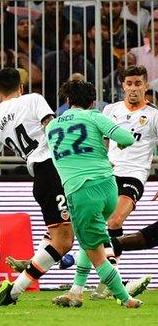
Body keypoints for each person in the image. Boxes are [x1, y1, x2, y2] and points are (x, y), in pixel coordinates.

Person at [45, 80, 141, 308]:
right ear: (92, 102)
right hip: (108, 188)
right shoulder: (94, 116)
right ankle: (75, 292)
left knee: (96, 251)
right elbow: (127, 139)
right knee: (89, 243)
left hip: (80, 191)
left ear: (68, 101)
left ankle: (125, 299)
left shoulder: (51, 127)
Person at [0, 68, 73, 306]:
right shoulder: (33, 99)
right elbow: (51, 126)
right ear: (21, 87)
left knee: (65, 231)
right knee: (64, 241)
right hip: (53, 168)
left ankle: (74, 282)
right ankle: (14, 291)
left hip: (39, 175)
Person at [85, 65, 155, 299]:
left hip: (134, 175)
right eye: (129, 84)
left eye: (138, 84)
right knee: (94, 227)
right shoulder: (110, 110)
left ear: (146, 85)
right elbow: (103, 143)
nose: (133, 88)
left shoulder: (154, 115)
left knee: (115, 220)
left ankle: (108, 282)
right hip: (107, 174)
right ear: (122, 85)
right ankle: (108, 281)